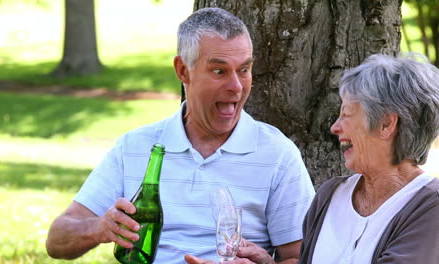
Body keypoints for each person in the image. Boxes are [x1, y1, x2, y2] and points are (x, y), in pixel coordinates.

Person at [45, 7, 315, 264]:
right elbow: (57, 239)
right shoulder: (135, 146)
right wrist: (99, 228)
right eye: (219, 71)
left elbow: (302, 257)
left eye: (244, 70)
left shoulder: (277, 153)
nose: (236, 86)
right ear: (183, 70)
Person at [188, 53, 439, 264]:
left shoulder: (429, 208)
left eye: (347, 115)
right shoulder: (331, 195)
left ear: (386, 124)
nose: (335, 127)